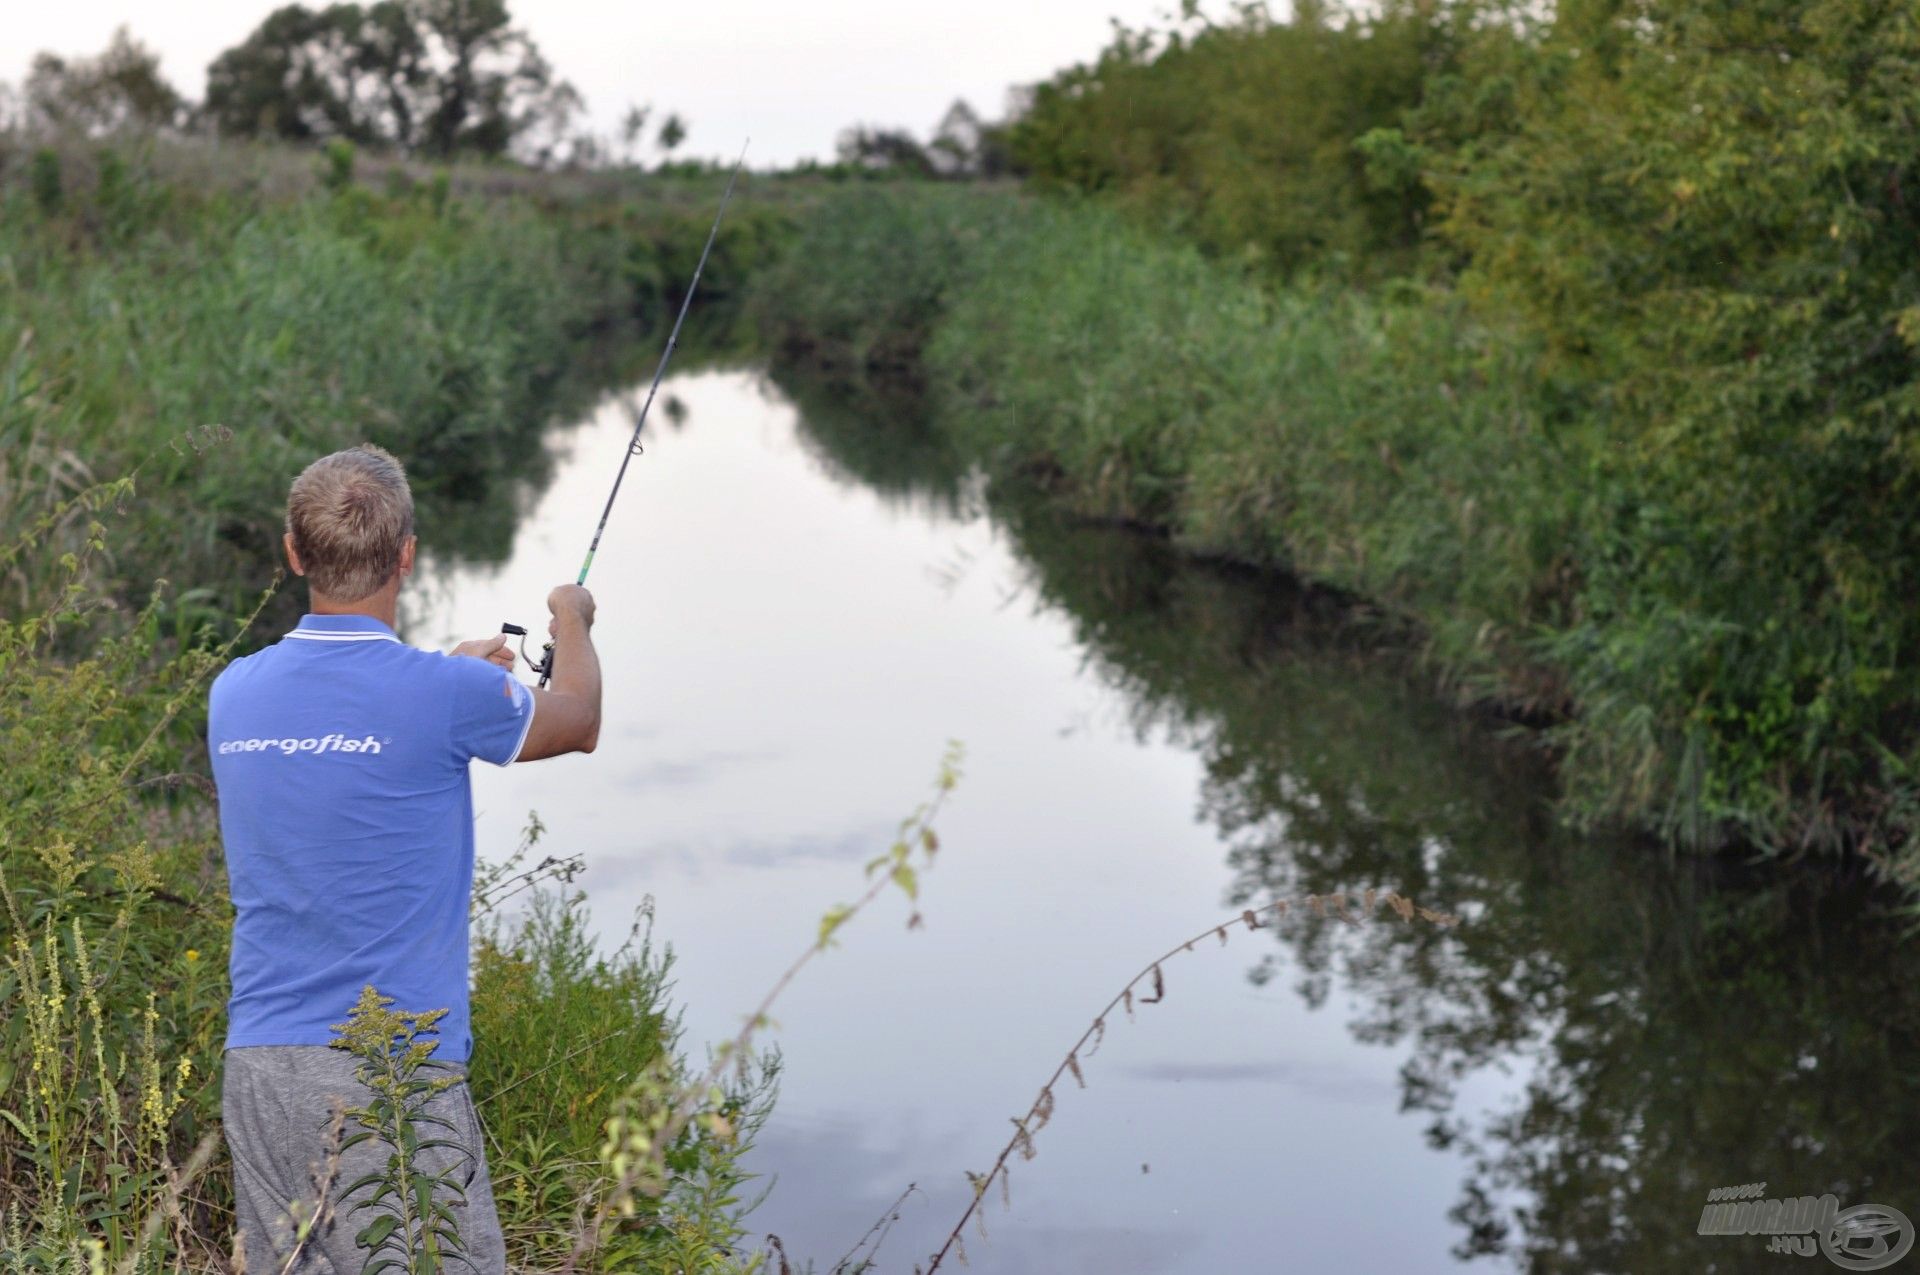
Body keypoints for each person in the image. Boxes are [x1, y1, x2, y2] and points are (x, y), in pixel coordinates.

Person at [209, 444, 601, 1272]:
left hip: (260, 1068)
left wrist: (447, 677)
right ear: (407, 556)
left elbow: (346, 738)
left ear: (293, 551)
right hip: (388, 1072)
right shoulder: (445, 695)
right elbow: (576, 718)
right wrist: (572, 616)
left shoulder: (233, 691)